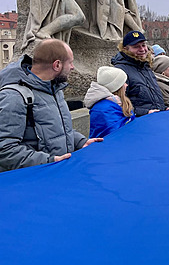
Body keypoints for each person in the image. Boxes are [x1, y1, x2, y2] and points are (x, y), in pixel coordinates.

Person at [0, 39, 102, 171]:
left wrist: (81, 142)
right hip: (35, 180)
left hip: (57, 172)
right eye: (70, 62)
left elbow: (58, 131)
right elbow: (5, 150)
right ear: (57, 65)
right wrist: (48, 161)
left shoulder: (54, 89)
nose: (72, 67)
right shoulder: (13, 96)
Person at [111, 30, 165, 116]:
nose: (142, 49)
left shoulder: (145, 66)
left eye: (144, 45)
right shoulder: (121, 71)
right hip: (140, 122)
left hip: (155, 117)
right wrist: (146, 112)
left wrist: (164, 108)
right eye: (136, 47)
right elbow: (119, 104)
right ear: (125, 49)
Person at [84, 66, 135, 138]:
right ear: (117, 87)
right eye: (123, 83)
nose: (126, 85)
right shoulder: (103, 109)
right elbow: (114, 136)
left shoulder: (118, 102)